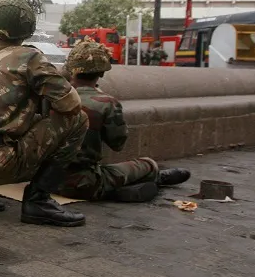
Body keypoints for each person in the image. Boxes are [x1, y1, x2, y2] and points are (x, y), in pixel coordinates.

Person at [0, 0, 89, 226]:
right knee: (78, 120)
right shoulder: (30, 57)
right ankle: (39, 200)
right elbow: (71, 104)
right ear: (28, 29)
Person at [57, 40, 191, 202]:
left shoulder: (55, 98)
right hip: (82, 183)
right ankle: (152, 179)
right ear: (101, 73)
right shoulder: (106, 103)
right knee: (147, 165)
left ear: (72, 70)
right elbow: (117, 143)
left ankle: (116, 189)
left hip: (46, 181)